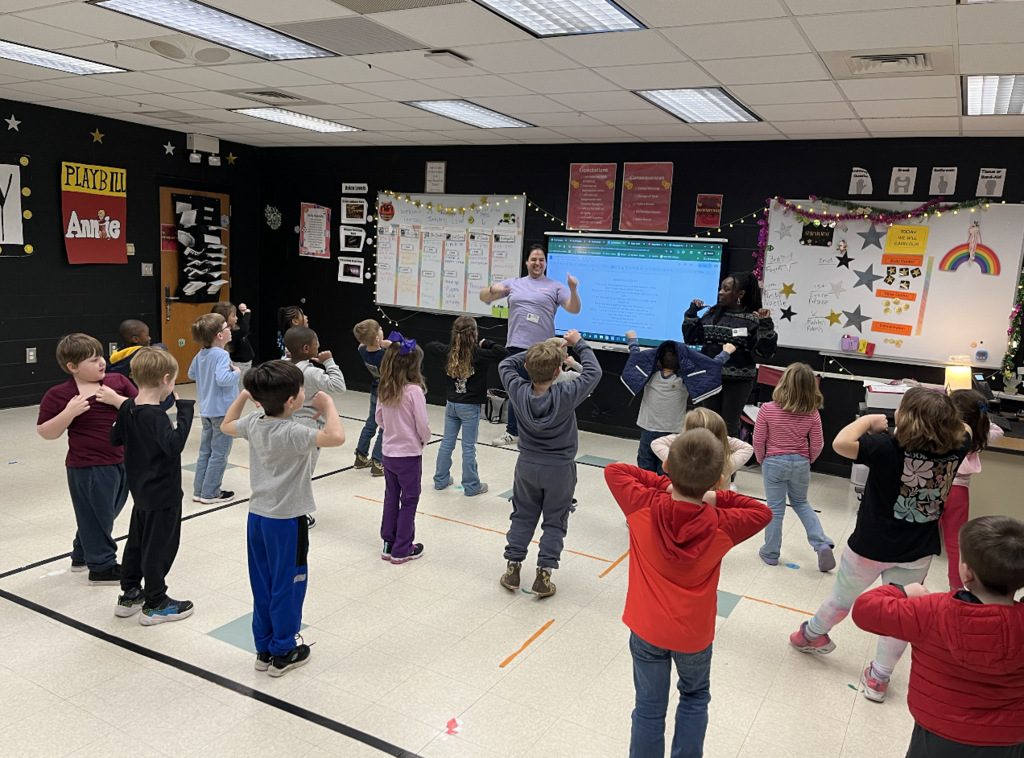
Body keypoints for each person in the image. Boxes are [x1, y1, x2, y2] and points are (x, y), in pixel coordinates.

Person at [790, 387, 971, 703]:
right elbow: (965, 428)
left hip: (869, 547)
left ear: (905, 419)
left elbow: (841, 442)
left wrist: (870, 420)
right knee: (900, 613)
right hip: (918, 551)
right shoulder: (957, 446)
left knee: (841, 598)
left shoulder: (887, 446)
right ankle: (878, 678)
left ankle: (811, 635)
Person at [605, 430, 772, 758]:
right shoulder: (722, 523)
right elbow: (761, 512)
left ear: (666, 465)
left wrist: (666, 485)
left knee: (648, 710)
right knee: (694, 698)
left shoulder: (643, 504)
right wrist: (714, 495)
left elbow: (615, 471)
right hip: (694, 635)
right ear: (720, 479)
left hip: (647, 628)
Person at [852, 516, 1024, 757]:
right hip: (1009, 738)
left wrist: (903, 590)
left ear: (966, 573)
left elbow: (864, 611)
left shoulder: (931, 610)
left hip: (937, 734)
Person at [221, 361, 345, 676]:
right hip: (287, 522)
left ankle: (263, 648)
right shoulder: (294, 432)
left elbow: (227, 424)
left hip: (257, 519)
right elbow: (336, 437)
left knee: (262, 583)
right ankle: (284, 650)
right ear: (291, 401)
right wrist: (329, 405)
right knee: (288, 586)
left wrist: (246, 396)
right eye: (302, 389)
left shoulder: (253, 422)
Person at [498, 329, 601, 598]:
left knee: (522, 515)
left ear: (528, 367)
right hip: (560, 469)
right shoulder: (566, 393)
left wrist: (541, 347)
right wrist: (579, 344)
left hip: (527, 466)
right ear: (558, 372)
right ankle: (544, 574)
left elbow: (505, 363)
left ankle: (513, 568)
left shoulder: (517, 389)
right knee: (555, 520)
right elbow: (594, 372)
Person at [37, 334, 137, 584]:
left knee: (105, 512)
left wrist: (118, 401)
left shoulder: (117, 381)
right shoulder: (59, 395)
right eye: (93, 360)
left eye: (101, 356)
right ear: (73, 367)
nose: (102, 362)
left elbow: (144, 410)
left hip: (122, 460)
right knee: (97, 515)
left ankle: (81, 553)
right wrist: (68, 413)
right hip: (89, 466)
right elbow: (46, 432)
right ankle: (102, 566)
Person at [109, 348, 195, 625]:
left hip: (141, 491)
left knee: (136, 543)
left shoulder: (128, 407)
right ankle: (156, 601)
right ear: (166, 379)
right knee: (160, 547)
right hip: (164, 493)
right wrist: (184, 413)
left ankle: (130, 593)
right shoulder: (156, 416)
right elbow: (174, 445)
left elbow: (114, 438)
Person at [479, 244, 581, 446]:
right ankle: (513, 431)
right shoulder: (515, 283)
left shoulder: (555, 286)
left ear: (545, 263)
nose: (537, 263)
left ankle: (541, 431)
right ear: (526, 262)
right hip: (516, 345)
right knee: (516, 390)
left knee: (542, 391)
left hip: (544, 350)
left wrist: (573, 289)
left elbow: (574, 309)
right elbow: (484, 298)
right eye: (534, 259)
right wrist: (492, 290)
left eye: (541, 259)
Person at [752, 362, 835, 571]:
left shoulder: (767, 409)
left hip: (773, 461)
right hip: (800, 462)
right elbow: (817, 443)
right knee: (801, 503)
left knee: (775, 509)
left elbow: (758, 440)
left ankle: (770, 552)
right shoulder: (812, 413)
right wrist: (809, 460)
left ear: (783, 383)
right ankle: (821, 543)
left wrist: (762, 460)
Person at [625, 329, 735, 475]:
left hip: (648, 431)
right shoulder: (683, 382)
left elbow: (636, 357)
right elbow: (711, 367)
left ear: (657, 361)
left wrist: (632, 339)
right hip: (672, 435)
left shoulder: (649, 377)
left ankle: (646, 495)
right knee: (666, 471)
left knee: (645, 471)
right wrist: (726, 352)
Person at [683, 271, 777, 438]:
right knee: (709, 426)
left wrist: (766, 325)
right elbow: (692, 338)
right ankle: (708, 463)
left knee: (727, 430)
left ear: (740, 294)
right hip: (710, 378)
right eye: (721, 288)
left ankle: (726, 463)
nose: (720, 292)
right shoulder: (712, 314)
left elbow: (765, 352)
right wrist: (691, 314)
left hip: (737, 383)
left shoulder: (752, 319)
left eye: (726, 289)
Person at [426, 316, 508, 496]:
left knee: (447, 443)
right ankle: (471, 486)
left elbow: (431, 345)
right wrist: (485, 343)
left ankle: (440, 480)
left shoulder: (448, 352)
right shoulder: (479, 354)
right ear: (474, 334)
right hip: (469, 407)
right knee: (468, 447)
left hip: (451, 405)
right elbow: (502, 352)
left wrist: (451, 345)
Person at [375, 332, 431, 564]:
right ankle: (402, 548)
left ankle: (388, 543)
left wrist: (392, 431)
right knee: (409, 500)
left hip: (389, 453)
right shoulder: (414, 391)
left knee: (391, 497)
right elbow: (423, 425)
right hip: (409, 455)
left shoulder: (385, 388)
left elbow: (379, 419)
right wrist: (422, 440)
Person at [284, 325, 347, 529]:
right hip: (308, 427)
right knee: (303, 474)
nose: (319, 346)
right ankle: (299, 515)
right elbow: (339, 386)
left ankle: (286, 508)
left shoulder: (282, 365)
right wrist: (329, 362)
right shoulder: (310, 373)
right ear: (305, 349)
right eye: (316, 343)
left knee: (289, 470)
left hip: (284, 424)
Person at [943, 389, 1004, 589]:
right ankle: (956, 588)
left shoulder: (943, 429)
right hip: (959, 492)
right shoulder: (981, 433)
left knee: (922, 537)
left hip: (933, 487)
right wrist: (982, 417)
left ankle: (915, 583)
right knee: (955, 543)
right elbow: (998, 430)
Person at [188, 313, 239, 505]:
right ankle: (211, 492)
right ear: (219, 335)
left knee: (206, 452)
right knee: (220, 453)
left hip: (207, 410)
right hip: (223, 411)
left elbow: (191, 373)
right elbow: (223, 379)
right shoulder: (222, 355)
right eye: (227, 327)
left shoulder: (201, 354)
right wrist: (237, 373)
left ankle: (199, 490)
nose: (230, 330)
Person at [652, 407, 753, 491]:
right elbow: (747, 448)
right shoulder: (725, 464)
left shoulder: (680, 461)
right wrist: (721, 438)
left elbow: (656, 443)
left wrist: (684, 436)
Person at [352, 319, 390, 477]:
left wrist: (380, 343)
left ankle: (361, 456)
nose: (382, 330)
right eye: (380, 329)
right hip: (387, 392)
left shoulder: (362, 350)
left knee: (371, 422)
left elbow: (361, 345)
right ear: (377, 338)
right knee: (385, 426)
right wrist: (389, 345)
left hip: (375, 389)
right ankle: (378, 461)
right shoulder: (384, 355)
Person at [211, 301, 254, 390]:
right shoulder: (227, 334)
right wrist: (247, 314)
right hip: (239, 364)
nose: (237, 318)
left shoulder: (232, 330)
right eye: (233, 316)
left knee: (242, 388)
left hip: (245, 364)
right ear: (225, 319)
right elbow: (244, 330)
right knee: (239, 390)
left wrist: (242, 313)